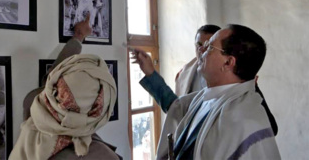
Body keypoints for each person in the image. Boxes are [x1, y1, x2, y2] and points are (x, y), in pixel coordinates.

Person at [133, 24, 280, 159]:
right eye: (200, 45)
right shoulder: (205, 93)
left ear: (228, 62)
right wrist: (151, 73)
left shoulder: (243, 118)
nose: (201, 50)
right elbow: (176, 107)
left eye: (209, 47)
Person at [17, 15, 122, 160]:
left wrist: (78, 38)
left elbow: (50, 83)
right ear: (98, 110)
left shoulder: (34, 107)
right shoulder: (101, 156)